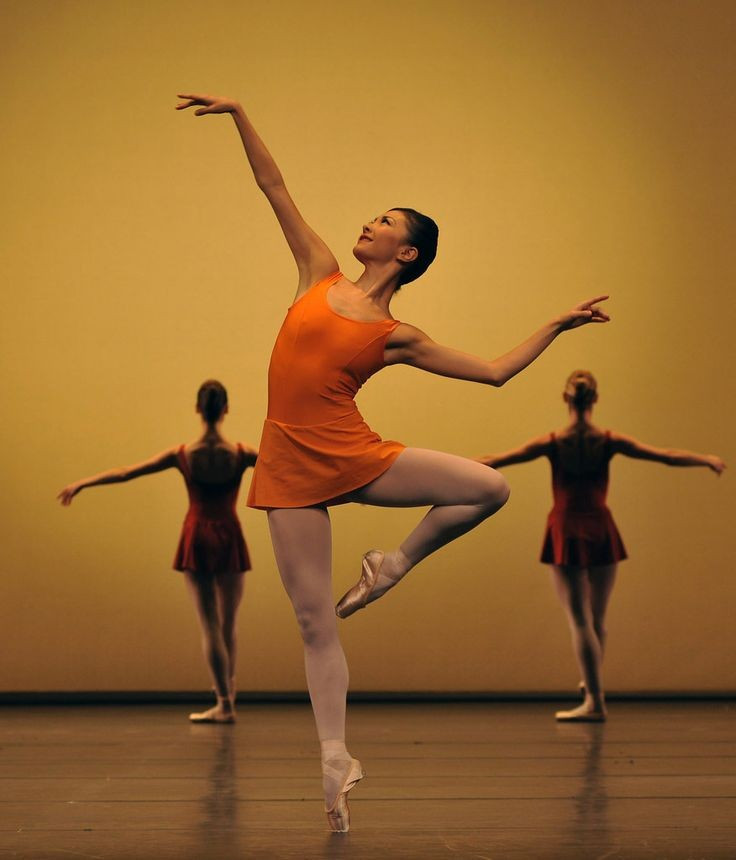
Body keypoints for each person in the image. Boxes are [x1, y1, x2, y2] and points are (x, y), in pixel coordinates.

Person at [176, 92, 609, 831]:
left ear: (405, 252)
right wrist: (240, 112)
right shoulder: (317, 272)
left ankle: (394, 565)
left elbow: (495, 373)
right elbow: (273, 187)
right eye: (373, 217)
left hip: (353, 451)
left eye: (385, 221)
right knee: (315, 621)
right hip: (288, 462)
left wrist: (555, 326)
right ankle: (334, 761)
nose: (369, 224)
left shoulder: (397, 334)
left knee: (488, 486)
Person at [478, 369, 726, 722]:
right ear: (595, 399)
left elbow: (494, 459)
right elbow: (666, 455)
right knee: (597, 620)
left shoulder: (553, 442)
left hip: (565, 527)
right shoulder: (608, 440)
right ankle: (592, 683)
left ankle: (594, 701)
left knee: (579, 621)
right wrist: (706, 459)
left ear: (565, 398)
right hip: (600, 526)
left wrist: (446, 465)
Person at [57, 380, 257, 724]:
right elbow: (286, 466)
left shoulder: (183, 454)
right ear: (226, 409)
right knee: (229, 623)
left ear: (198, 409)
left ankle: (224, 702)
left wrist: (83, 483)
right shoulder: (241, 453)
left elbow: (126, 473)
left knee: (209, 624)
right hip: (229, 535)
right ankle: (229, 694)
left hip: (196, 535)